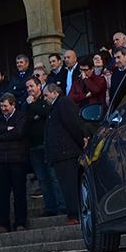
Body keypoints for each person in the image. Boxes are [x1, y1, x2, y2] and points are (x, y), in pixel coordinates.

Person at [0, 92, 30, 233]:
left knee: (19, 192)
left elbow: (19, 132)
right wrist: (6, 128)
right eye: (2, 106)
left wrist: (0, 137)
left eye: (5, 106)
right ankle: (3, 224)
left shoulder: (21, 116)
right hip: (0, 160)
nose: (3, 109)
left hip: (17, 159)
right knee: (1, 195)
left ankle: (20, 222)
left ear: (13, 104)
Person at [43, 83, 84, 226]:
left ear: (55, 92)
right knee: (66, 186)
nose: (45, 99)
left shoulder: (63, 103)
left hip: (67, 152)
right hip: (60, 154)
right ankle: (73, 213)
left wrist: (80, 143)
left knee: (70, 186)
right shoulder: (55, 107)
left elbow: (74, 124)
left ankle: (76, 214)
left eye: (46, 95)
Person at [23, 76, 63, 216]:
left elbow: (45, 112)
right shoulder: (26, 103)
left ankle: (62, 205)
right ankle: (50, 207)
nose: (29, 89)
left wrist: (34, 106)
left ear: (39, 86)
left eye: (31, 86)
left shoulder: (44, 99)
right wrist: (34, 114)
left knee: (53, 176)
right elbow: (24, 119)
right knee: (42, 179)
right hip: (33, 146)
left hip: (47, 144)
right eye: (27, 87)